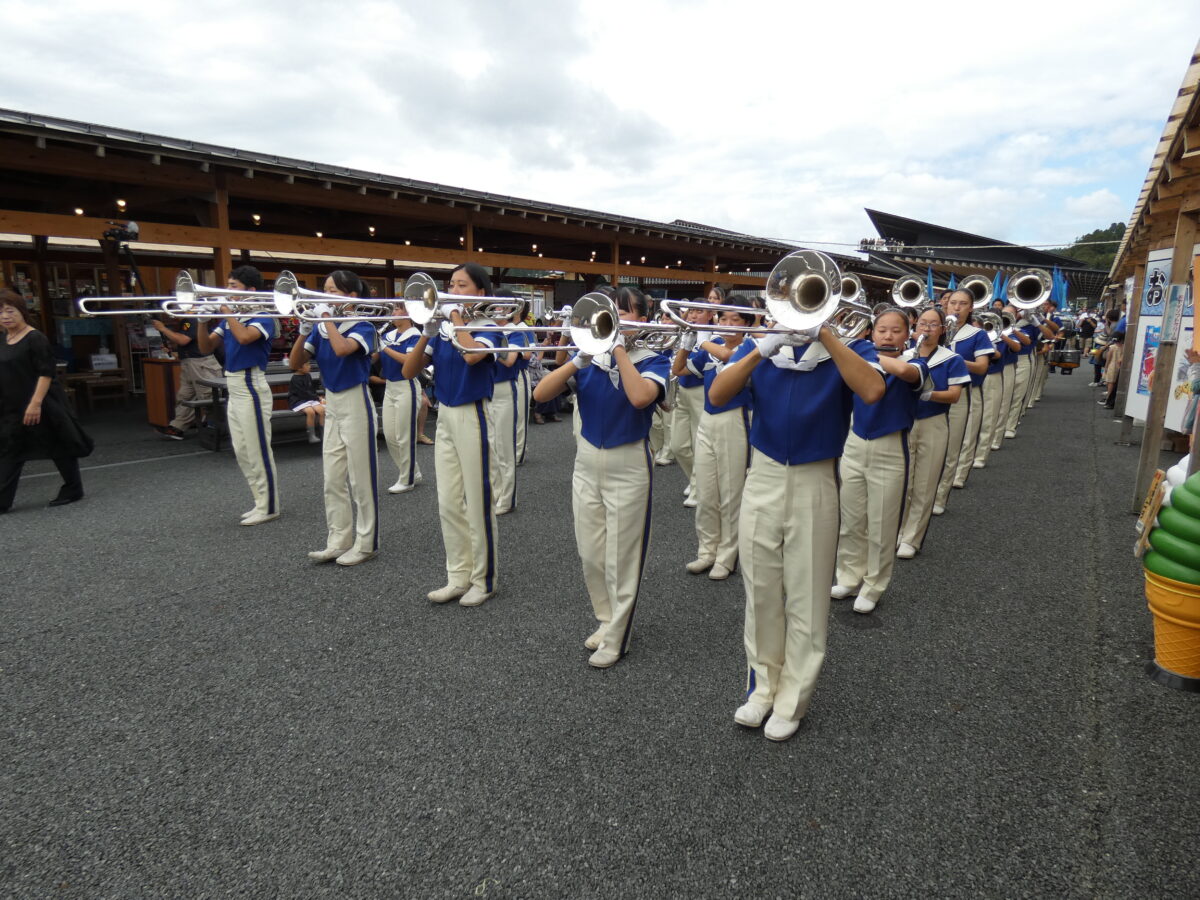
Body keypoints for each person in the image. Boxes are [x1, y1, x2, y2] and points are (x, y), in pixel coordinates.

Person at [709, 288, 885, 742]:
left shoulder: (851, 347)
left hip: (815, 479)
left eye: (812, 301)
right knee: (761, 590)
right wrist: (761, 346)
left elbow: (872, 390)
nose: (800, 311)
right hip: (763, 475)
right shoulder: (762, 348)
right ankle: (763, 688)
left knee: (807, 595)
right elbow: (717, 394)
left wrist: (825, 334)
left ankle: (793, 698)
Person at [532, 286, 670, 669]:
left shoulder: (655, 357)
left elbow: (642, 398)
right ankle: (607, 619)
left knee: (621, 556)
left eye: (629, 314)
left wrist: (621, 349)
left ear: (642, 319)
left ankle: (619, 634)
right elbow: (541, 393)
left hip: (629, 460)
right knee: (590, 552)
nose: (619, 323)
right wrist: (578, 359)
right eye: (613, 315)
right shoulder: (589, 359)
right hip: (587, 460)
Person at [402, 263, 500, 607]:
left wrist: (456, 316)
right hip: (445, 416)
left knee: (477, 501)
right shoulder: (441, 329)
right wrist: (428, 332)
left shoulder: (490, 327)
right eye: (451, 285)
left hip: (474, 413)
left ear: (480, 294)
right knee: (447, 502)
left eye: (462, 285)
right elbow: (408, 370)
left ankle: (483, 579)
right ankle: (457, 576)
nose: (451, 291)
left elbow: (474, 355)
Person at [831, 309, 926, 613]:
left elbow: (909, 375)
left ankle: (874, 585)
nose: (887, 335)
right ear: (871, 332)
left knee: (883, 525)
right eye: (881, 330)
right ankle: (848, 576)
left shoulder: (916, 362)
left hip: (890, 448)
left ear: (907, 334)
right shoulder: (857, 358)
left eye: (896, 330)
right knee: (851, 519)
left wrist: (850, 351)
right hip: (854, 443)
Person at [289, 270, 380, 567]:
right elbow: (295, 363)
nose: (325, 295)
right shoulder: (320, 327)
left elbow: (342, 350)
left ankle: (365, 543)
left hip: (356, 400)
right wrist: (304, 329)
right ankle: (338, 540)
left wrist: (324, 316)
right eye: (324, 290)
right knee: (332, 478)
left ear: (352, 297)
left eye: (333, 291)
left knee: (360, 479)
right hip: (332, 401)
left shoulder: (363, 326)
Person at [675, 301, 759, 581]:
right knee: (708, 492)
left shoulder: (749, 346)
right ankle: (706, 550)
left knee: (731, 491)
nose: (728, 324)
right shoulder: (713, 343)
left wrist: (702, 338)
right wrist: (687, 342)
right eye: (724, 318)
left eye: (735, 319)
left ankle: (727, 555)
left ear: (747, 324)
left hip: (736, 419)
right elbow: (679, 370)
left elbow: (726, 354)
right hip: (708, 419)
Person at [195, 265, 281, 525]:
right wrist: (200, 322)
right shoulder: (231, 317)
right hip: (233, 384)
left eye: (233, 286)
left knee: (257, 449)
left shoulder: (264, 316)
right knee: (242, 449)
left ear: (251, 290)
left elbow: (244, 338)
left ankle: (269, 506)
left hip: (251, 383)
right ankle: (259, 502)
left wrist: (226, 311)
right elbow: (205, 346)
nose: (227, 290)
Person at [0, 291, 92, 511]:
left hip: (41, 403)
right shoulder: (3, 339)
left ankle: (73, 488)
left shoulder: (35, 338)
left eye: (10, 310)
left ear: (22, 311)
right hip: (11, 405)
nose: (5, 316)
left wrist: (35, 403)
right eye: (0, 312)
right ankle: (2, 500)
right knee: (10, 450)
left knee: (59, 446)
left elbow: (46, 373)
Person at [896, 307, 968, 558]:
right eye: (922, 323)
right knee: (902, 481)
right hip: (904, 421)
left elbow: (955, 395)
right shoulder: (904, 356)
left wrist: (927, 392)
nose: (926, 329)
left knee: (925, 483)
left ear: (942, 329)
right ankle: (899, 529)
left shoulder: (951, 359)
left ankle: (912, 538)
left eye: (933, 324)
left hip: (934, 421)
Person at [933, 290, 993, 513]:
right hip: (933, 392)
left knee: (953, 444)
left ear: (971, 308)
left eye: (963, 304)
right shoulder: (936, 330)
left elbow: (982, 367)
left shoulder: (977, 335)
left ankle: (940, 497)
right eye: (953, 303)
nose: (956, 308)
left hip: (961, 392)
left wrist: (954, 360)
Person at [670, 299, 717, 507]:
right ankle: (695, 480)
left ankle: (700, 488)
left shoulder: (715, 337)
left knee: (700, 443)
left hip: (700, 391)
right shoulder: (685, 333)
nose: (694, 315)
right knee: (678, 445)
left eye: (700, 312)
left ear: (710, 315)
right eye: (691, 312)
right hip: (682, 389)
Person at [151, 305, 223, 440]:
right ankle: (177, 427)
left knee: (208, 397)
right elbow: (187, 342)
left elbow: (183, 340)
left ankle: (218, 427)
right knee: (185, 396)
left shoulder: (194, 320)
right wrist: (172, 350)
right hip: (191, 363)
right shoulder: (188, 321)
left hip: (201, 364)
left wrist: (163, 329)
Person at [488, 292, 527, 515]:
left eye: (501, 308)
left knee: (504, 446)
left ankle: (507, 497)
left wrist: (487, 342)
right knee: (490, 446)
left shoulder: (515, 331)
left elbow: (510, 359)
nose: (496, 312)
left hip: (504, 389)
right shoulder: (487, 329)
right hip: (486, 389)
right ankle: (494, 491)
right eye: (494, 307)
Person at [377, 309, 423, 494]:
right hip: (390, 386)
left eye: (398, 309)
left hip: (407, 386)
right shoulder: (387, 335)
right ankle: (413, 471)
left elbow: (408, 360)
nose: (394, 313)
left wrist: (384, 347)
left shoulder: (416, 335)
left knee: (404, 436)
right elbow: (375, 356)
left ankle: (407, 478)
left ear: (408, 313)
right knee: (389, 435)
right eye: (394, 309)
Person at [287, 361, 325, 443]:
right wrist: (317, 398)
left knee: (322, 410)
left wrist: (317, 397)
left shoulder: (308, 375)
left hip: (309, 398)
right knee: (310, 412)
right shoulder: (295, 378)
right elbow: (302, 393)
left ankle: (324, 434)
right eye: (307, 365)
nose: (310, 366)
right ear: (299, 368)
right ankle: (311, 435)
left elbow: (311, 390)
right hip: (298, 400)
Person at [1101, 331, 1124, 410]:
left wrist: (1106, 367)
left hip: (1112, 366)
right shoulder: (1124, 347)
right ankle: (1110, 399)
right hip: (1120, 367)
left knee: (1110, 383)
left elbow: (1108, 358)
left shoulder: (1112, 347)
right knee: (1115, 383)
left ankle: (1108, 398)